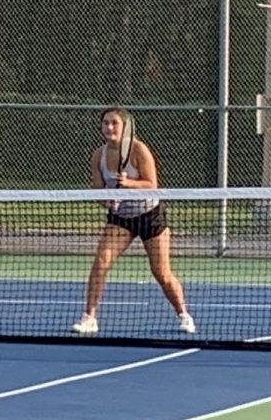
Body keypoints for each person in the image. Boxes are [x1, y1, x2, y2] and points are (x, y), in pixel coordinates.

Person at [72, 107, 196, 335]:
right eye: (106, 123)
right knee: (101, 262)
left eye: (114, 123)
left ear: (125, 127)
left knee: (161, 272)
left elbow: (152, 184)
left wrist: (129, 184)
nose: (109, 127)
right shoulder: (98, 156)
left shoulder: (139, 150)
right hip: (121, 219)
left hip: (150, 216)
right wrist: (107, 201)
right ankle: (89, 317)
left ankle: (183, 314)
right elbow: (98, 189)